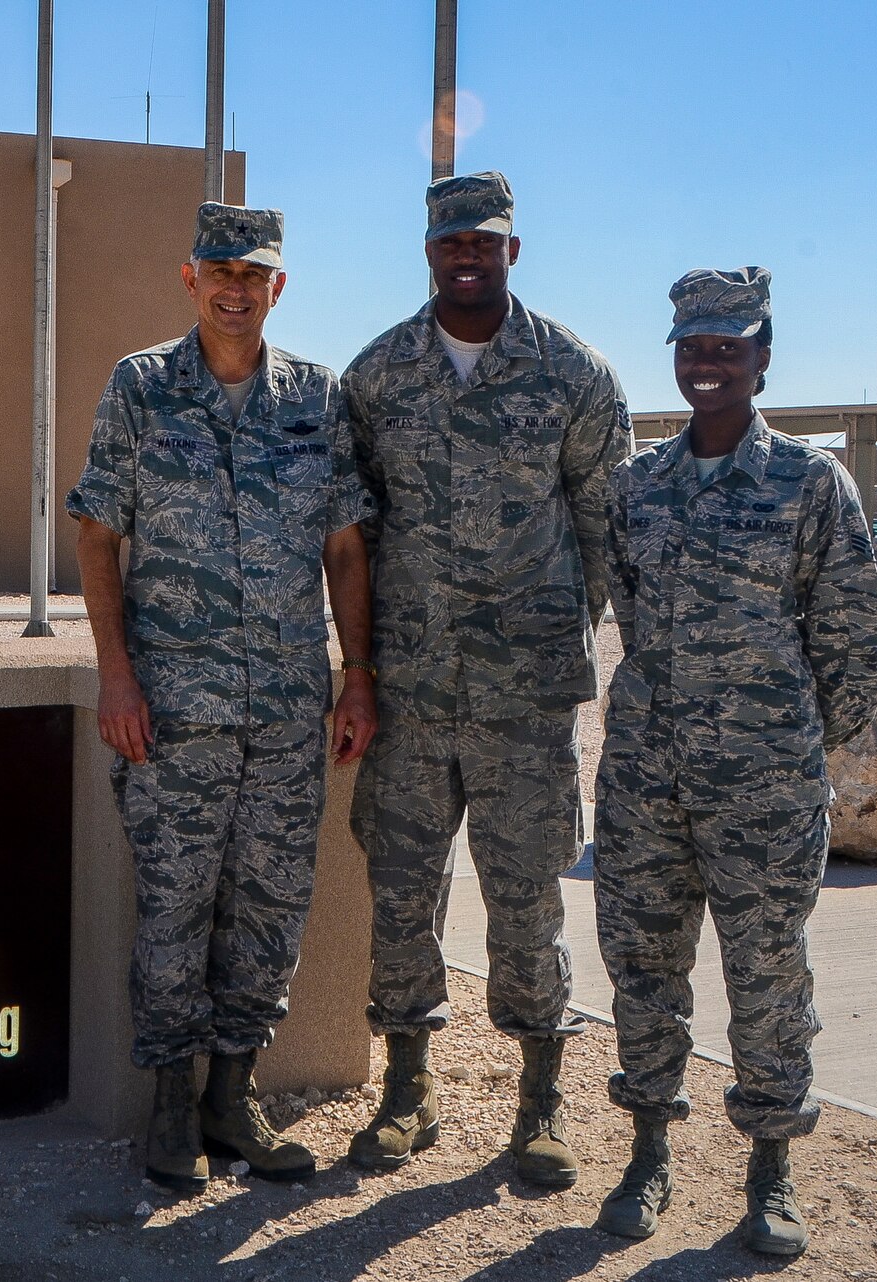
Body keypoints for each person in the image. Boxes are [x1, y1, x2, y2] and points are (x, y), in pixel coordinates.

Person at [66, 202, 378, 1193]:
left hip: (287, 712)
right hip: (172, 712)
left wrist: (355, 676)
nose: (235, 287)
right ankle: (168, 1107)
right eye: (218, 270)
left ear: (276, 286)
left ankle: (230, 1097)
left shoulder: (315, 397)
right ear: (188, 277)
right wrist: (115, 673)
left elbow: (342, 545)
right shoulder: (140, 387)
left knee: (270, 907)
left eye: (253, 273)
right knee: (173, 909)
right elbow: (96, 535)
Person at [341, 172, 632, 1185]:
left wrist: (557, 643)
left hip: (523, 702)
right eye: (450, 240)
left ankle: (539, 1103)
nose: (466, 254)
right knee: (400, 892)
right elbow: (354, 535)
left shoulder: (574, 376)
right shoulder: (378, 376)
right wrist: (361, 669)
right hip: (411, 696)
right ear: (427, 250)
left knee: (527, 900)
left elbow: (603, 532)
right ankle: (405, 1091)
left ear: (514, 249)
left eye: (485, 240)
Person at [591, 267, 877, 1256]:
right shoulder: (636, 486)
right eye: (691, 346)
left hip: (764, 787)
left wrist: (792, 743)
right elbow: (631, 618)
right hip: (645, 778)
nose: (706, 363)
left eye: (727, 345)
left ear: (763, 355)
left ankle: (770, 1169)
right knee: (640, 964)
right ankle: (646, 1154)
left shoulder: (808, 484)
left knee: (765, 973)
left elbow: (850, 637)